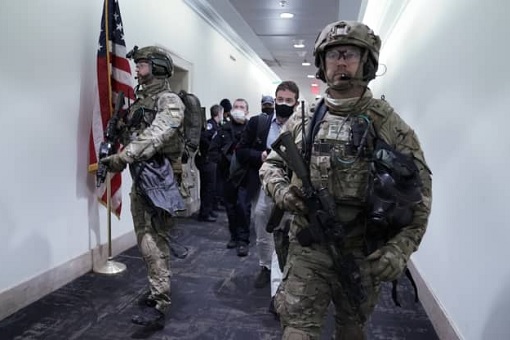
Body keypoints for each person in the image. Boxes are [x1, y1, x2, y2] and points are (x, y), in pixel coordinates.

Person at [259, 21, 432, 340]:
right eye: (333, 54)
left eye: (349, 53)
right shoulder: (304, 117)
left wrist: (398, 250)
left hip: (362, 253)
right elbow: (271, 165)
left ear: (366, 62)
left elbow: (418, 199)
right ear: (322, 64)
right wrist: (283, 192)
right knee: (296, 330)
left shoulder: (390, 126)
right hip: (308, 247)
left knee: (352, 330)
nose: (341, 61)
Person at [100, 45, 186, 329]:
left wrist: (123, 156)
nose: (137, 68)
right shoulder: (139, 102)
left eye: (143, 64)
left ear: (159, 66)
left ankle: (160, 303)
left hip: (162, 179)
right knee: (147, 239)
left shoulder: (169, 100)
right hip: (143, 178)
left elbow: (157, 134)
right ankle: (156, 291)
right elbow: (133, 134)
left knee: (153, 242)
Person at [236, 83, 299, 294]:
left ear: (296, 103)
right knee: (263, 229)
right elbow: (241, 151)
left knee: (288, 233)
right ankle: (265, 267)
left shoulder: (302, 127)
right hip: (264, 187)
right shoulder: (258, 123)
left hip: (291, 189)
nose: (283, 104)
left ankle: (285, 274)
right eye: (280, 99)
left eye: (288, 100)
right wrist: (260, 156)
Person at [209, 98, 251, 256]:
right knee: (230, 208)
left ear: (247, 111)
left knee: (243, 207)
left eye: (242, 107)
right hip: (227, 175)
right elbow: (212, 151)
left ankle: (243, 240)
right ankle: (234, 236)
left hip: (245, 176)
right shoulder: (223, 130)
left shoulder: (250, 130)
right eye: (236, 106)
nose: (239, 109)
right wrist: (225, 160)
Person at [196, 104, 223, 222]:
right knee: (207, 188)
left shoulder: (216, 125)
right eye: (221, 113)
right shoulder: (210, 125)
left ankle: (209, 209)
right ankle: (204, 213)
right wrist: (212, 147)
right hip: (206, 160)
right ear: (218, 113)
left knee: (211, 187)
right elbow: (203, 138)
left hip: (211, 161)